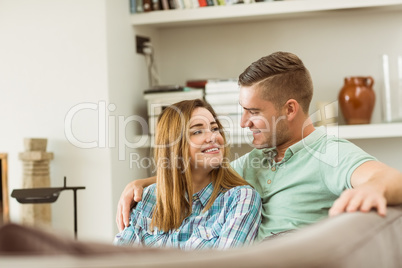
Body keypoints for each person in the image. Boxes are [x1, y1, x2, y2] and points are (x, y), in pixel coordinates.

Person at [116, 52, 402, 242]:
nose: (243, 123)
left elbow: (389, 178)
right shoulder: (257, 159)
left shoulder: (329, 152)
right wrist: (144, 182)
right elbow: (201, 172)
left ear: (289, 109)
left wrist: (373, 188)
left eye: (253, 112)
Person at [114, 99, 262, 250]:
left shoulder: (240, 199)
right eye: (197, 131)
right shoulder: (147, 198)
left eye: (215, 128)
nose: (213, 137)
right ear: (173, 146)